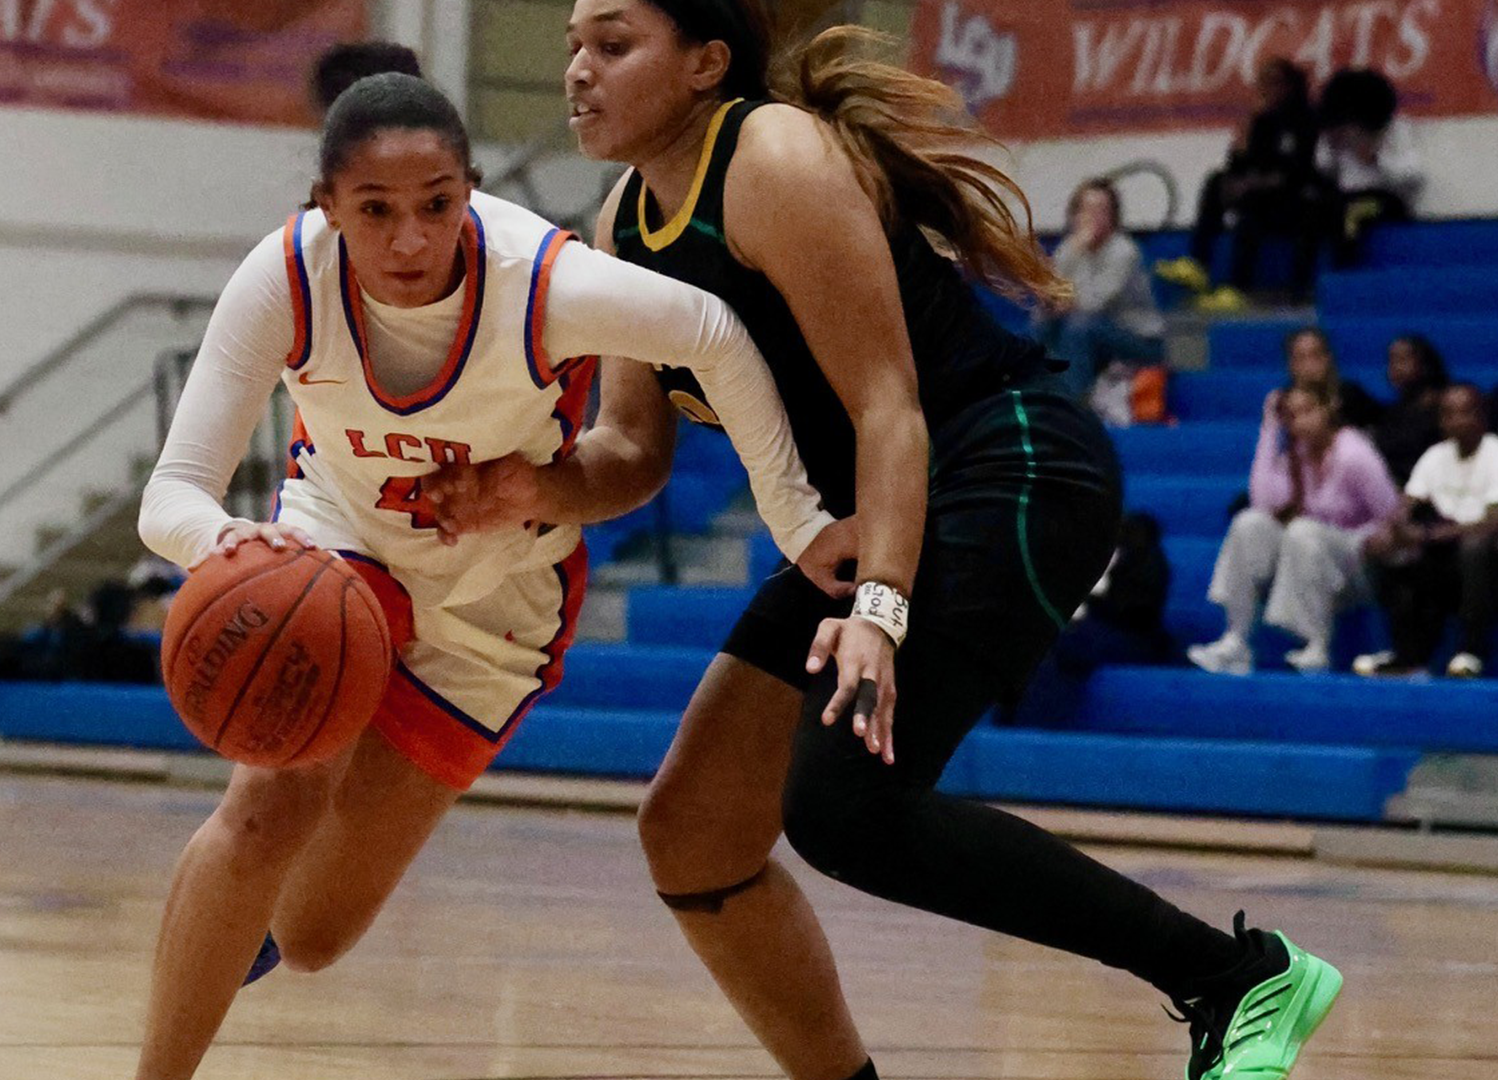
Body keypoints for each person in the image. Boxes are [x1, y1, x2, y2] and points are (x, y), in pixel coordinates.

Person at [429, 6, 1341, 1080]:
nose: (578, 71)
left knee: (845, 808)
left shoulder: (770, 156)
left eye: (614, 44)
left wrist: (881, 610)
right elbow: (633, 450)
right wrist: (520, 489)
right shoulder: (624, 218)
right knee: (694, 833)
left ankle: (1235, 978)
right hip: (870, 514)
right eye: (574, 44)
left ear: (705, 64)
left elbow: (888, 404)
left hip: (1005, 463)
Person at [129, 71, 841, 1080]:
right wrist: (234, 546)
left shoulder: (544, 283)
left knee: (318, 934)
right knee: (268, 810)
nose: (411, 240)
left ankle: (232, 926)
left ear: (469, 191)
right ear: (326, 209)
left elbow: (715, 335)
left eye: (436, 205)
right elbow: (171, 498)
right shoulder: (285, 277)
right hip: (342, 548)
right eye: (376, 212)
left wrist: (797, 515)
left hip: (495, 598)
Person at [1189, 386, 1402, 675]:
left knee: (1302, 530)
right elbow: (1262, 501)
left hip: (1359, 567)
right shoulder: (1296, 455)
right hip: (1306, 557)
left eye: (1308, 412)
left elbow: (1393, 519)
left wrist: (1359, 540)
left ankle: (1317, 646)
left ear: (1327, 410)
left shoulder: (1354, 455)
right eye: (1291, 416)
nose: (1300, 422)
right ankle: (1236, 641)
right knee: (1249, 523)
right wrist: (1269, 428)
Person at [1355, 384, 1498, 678]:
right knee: (1393, 548)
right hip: (1443, 550)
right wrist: (1394, 530)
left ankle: (1471, 650)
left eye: (1465, 412)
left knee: (1475, 548)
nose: (1457, 420)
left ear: (1482, 417)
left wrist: (1428, 535)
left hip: (1486, 558)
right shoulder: (1435, 455)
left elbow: (1491, 523)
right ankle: (1407, 656)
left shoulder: (1495, 453)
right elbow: (1406, 504)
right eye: (1448, 414)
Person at [1157, 57, 1322, 309]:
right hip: (1076, 308)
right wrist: (1241, 142)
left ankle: (1236, 289)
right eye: (1261, 82)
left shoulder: (1304, 120)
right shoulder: (1073, 254)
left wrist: (1253, 183)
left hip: (1290, 201)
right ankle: (1198, 264)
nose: (1265, 89)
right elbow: (1241, 166)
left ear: (1289, 86)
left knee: (1251, 211)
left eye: (1273, 82)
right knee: (1217, 182)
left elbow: (1298, 171)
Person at [1002, 512, 1174, 728]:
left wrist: (1089, 606)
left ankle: (1029, 727)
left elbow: (1136, 613)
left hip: (1130, 636)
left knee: (1053, 642)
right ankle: (1020, 723)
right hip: (1091, 630)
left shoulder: (1143, 556)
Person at [1033, 178, 1166, 402]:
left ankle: (1075, 404)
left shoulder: (1124, 251)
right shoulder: (1070, 248)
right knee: (1042, 326)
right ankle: (1042, 399)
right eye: (1087, 209)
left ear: (1113, 216)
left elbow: (1093, 304)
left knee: (1079, 326)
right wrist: (1073, 254)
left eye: (1102, 210)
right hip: (1093, 335)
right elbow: (1047, 297)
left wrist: (1061, 301)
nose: (1093, 216)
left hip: (1138, 340)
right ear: (1075, 215)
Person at [1315, 68, 1422, 268]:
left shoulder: (1396, 130)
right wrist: (1333, 148)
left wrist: (1375, 157)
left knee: (1351, 213)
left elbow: (1412, 175)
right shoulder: (1336, 134)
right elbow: (1322, 167)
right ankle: (1303, 283)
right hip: (1345, 196)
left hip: (1386, 199)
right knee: (1316, 211)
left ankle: (1346, 270)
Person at [1369, 333, 1450, 485]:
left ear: (1425, 364)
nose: (1395, 368)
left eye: (1402, 360)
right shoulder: (1392, 414)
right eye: (1391, 361)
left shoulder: (1444, 411)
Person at [1272, 326, 1380, 432]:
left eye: (1316, 355)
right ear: (1290, 364)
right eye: (1301, 357)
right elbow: (1268, 446)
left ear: (1328, 358)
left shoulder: (1352, 396)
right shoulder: (1279, 400)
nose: (1309, 364)